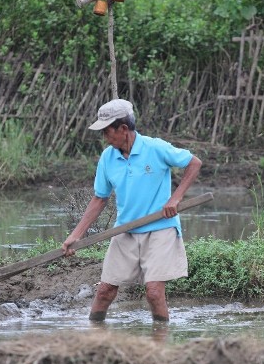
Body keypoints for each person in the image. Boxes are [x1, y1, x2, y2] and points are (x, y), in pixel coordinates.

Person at [62, 99, 202, 322]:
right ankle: (94, 336)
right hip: (125, 230)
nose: (105, 138)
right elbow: (100, 199)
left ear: (123, 129)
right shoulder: (108, 158)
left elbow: (194, 163)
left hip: (160, 229)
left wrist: (175, 199)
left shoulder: (155, 148)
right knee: (105, 291)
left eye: (107, 132)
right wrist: (75, 235)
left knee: (154, 293)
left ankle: (159, 344)